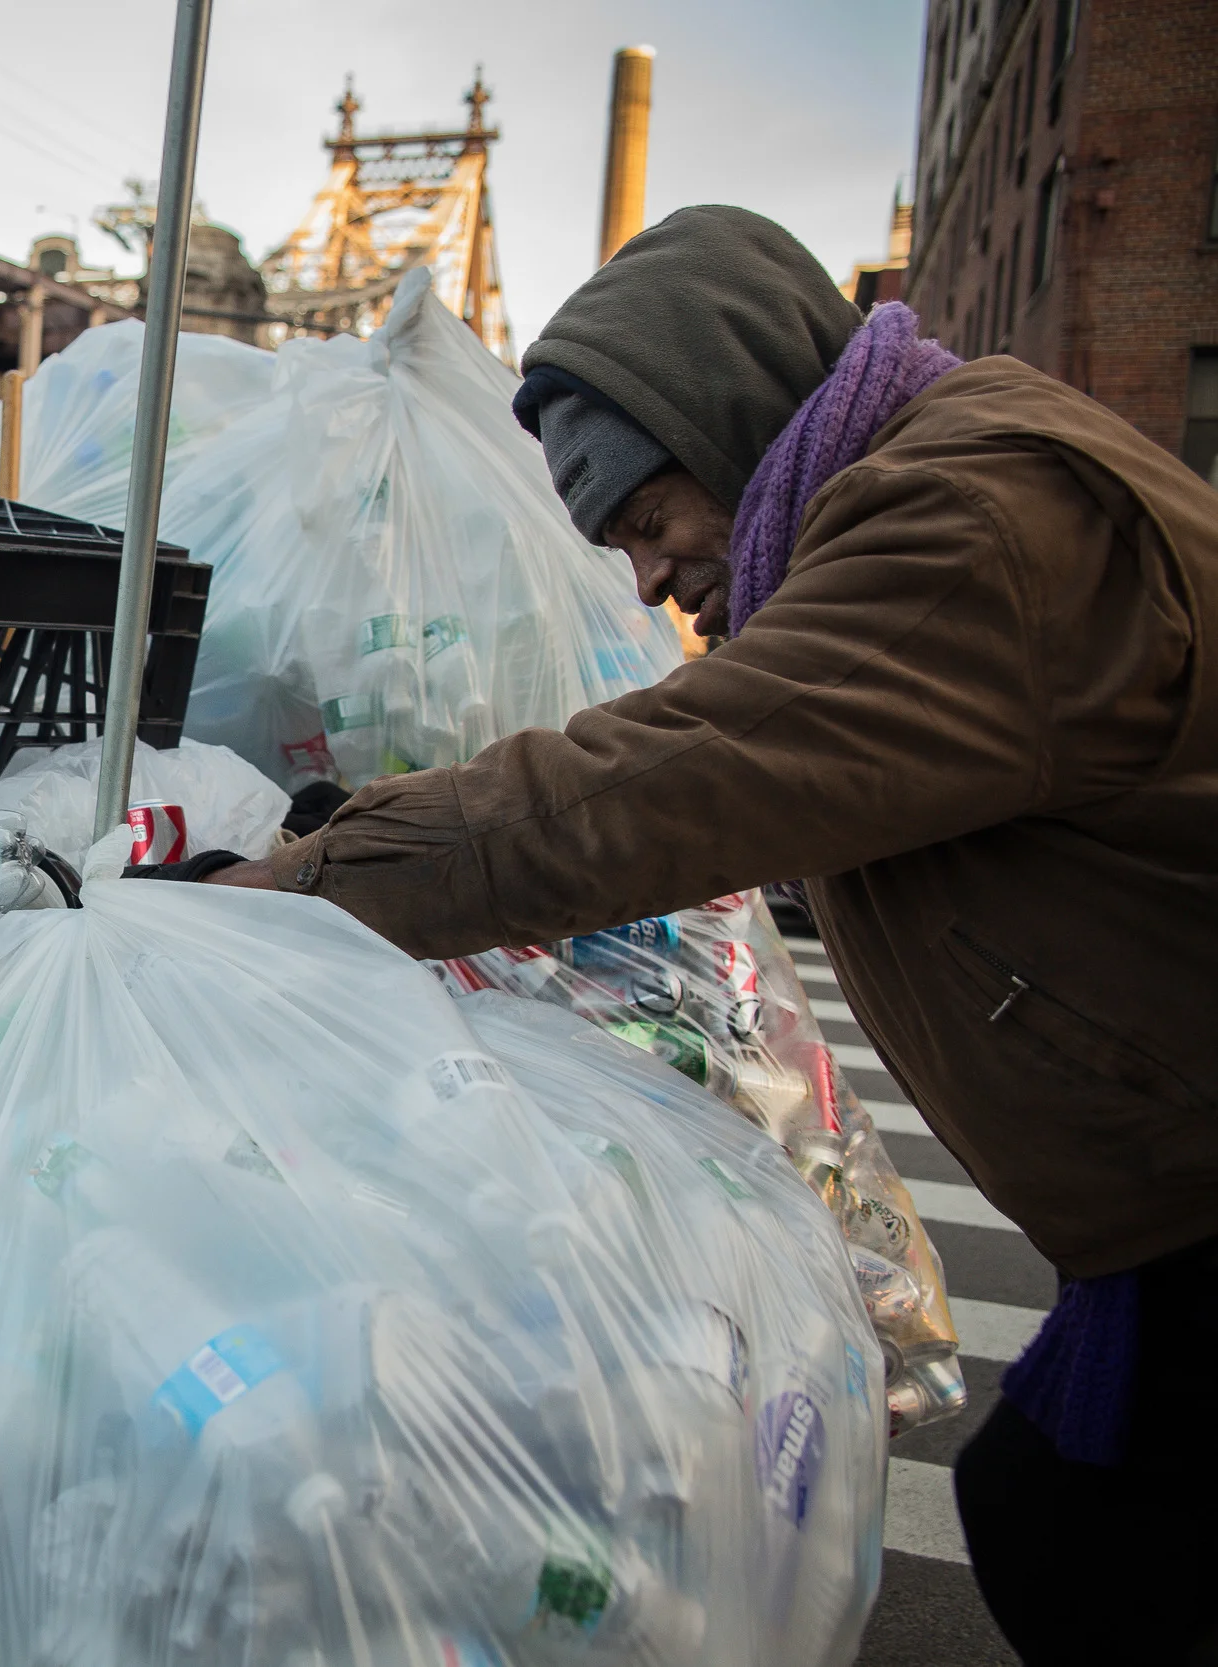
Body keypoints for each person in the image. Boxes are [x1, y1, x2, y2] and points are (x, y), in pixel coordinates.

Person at [170, 205, 1218, 1663]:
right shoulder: (926, 487)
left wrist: (296, 886)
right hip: (1163, 1208)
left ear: (734, 417)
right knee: (1061, 1513)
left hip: (1193, 1192)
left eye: (654, 522)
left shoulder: (968, 526)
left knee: (1086, 1540)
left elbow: (658, 794)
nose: (653, 582)